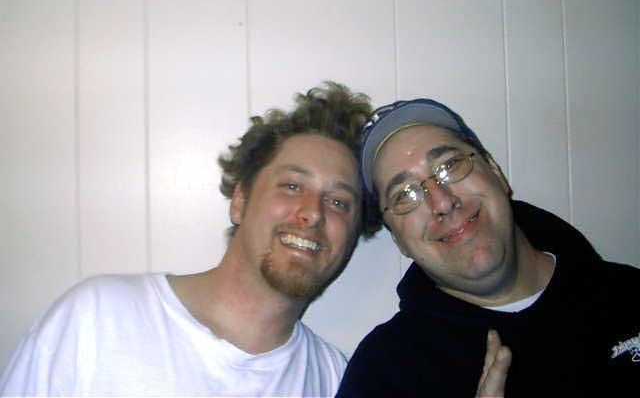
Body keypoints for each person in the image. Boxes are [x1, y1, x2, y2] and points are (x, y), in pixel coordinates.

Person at [1, 82, 377, 396]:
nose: (314, 212)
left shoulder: (334, 380)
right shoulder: (97, 320)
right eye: (292, 186)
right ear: (240, 201)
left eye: (339, 202)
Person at [337, 98, 640, 397]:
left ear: (495, 171)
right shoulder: (383, 374)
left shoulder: (629, 296)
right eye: (405, 194)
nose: (442, 202)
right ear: (397, 239)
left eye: (449, 165)